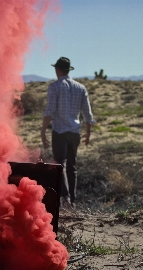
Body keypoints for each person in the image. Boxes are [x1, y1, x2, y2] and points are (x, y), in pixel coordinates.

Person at [41, 57, 95, 206]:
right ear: (68, 70)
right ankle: (73, 199)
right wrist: (88, 132)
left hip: (59, 131)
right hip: (75, 132)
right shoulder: (80, 87)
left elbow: (49, 111)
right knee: (72, 166)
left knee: (60, 164)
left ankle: (65, 198)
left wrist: (43, 131)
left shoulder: (55, 87)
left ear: (58, 70)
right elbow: (87, 113)